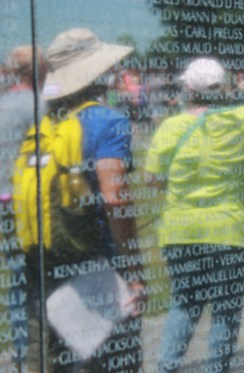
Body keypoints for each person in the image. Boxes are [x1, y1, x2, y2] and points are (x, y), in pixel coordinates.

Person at [13, 29, 144, 372]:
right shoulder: (107, 121)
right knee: (113, 360)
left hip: (48, 259)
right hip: (98, 261)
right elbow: (115, 198)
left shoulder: (44, 123)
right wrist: (133, 269)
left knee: (58, 360)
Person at [144, 57, 244, 373]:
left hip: (181, 230)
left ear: (188, 88)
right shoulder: (239, 120)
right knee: (225, 312)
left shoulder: (170, 126)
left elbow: (152, 179)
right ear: (220, 89)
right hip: (227, 230)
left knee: (184, 304)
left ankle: (167, 368)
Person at [0, 45, 46, 372]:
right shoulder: (41, 105)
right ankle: (40, 350)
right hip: (30, 200)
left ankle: (20, 349)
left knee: (17, 277)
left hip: (2, 201)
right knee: (42, 276)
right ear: (35, 70)